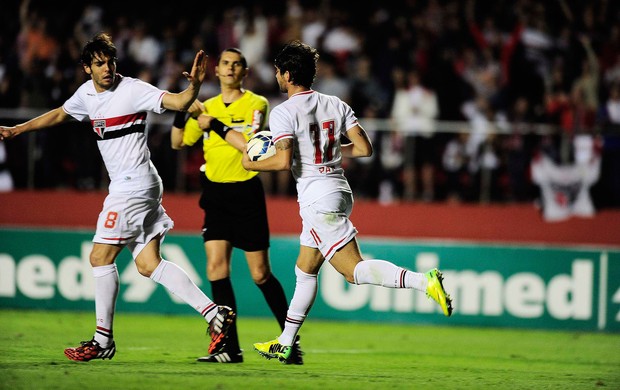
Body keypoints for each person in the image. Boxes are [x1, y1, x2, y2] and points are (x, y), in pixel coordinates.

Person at [0, 32, 235, 362]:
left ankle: (103, 339)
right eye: (99, 64)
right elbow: (60, 114)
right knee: (148, 264)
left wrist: (194, 84)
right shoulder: (85, 95)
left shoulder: (134, 90)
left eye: (110, 61)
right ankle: (215, 314)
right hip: (139, 185)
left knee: (99, 258)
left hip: (133, 187)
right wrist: (17, 130)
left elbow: (180, 103)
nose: (107, 68)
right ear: (87, 68)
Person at [241, 40, 453, 363]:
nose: (277, 77)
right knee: (305, 268)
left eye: (277, 72)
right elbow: (364, 149)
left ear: (286, 74)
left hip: (317, 199)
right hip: (338, 189)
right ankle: (285, 341)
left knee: (353, 271)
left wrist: (251, 163)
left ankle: (424, 281)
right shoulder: (335, 104)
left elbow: (282, 162)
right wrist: (331, 154)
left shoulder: (283, 113)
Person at [169, 48, 302, 364]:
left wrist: (210, 123)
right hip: (214, 193)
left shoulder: (256, 104)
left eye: (236, 64)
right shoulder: (206, 105)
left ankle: (289, 342)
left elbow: (250, 145)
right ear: (216, 71)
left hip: (246, 193)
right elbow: (177, 142)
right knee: (216, 268)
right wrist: (185, 105)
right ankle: (229, 347)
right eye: (225, 63)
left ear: (244, 72)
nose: (230, 68)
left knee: (260, 274)